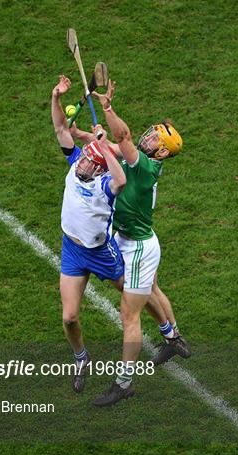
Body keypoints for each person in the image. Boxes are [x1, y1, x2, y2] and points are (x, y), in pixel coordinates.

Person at [70, 80, 190, 407]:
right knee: (151, 290)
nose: (148, 136)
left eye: (156, 137)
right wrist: (86, 137)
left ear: (163, 151)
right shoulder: (136, 159)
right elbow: (114, 147)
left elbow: (121, 139)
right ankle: (174, 338)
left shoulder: (147, 165)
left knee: (129, 315)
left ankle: (123, 384)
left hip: (137, 248)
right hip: (128, 240)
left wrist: (107, 108)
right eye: (151, 132)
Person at [51, 75, 126, 394]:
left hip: (100, 252)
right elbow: (60, 129)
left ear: (98, 168)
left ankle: (168, 330)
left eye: (87, 161)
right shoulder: (74, 163)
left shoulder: (106, 184)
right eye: (81, 158)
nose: (80, 163)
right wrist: (55, 98)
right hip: (73, 250)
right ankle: (81, 358)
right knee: (69, 318)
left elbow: (120, 179)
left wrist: (102, 143)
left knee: (136, 293)